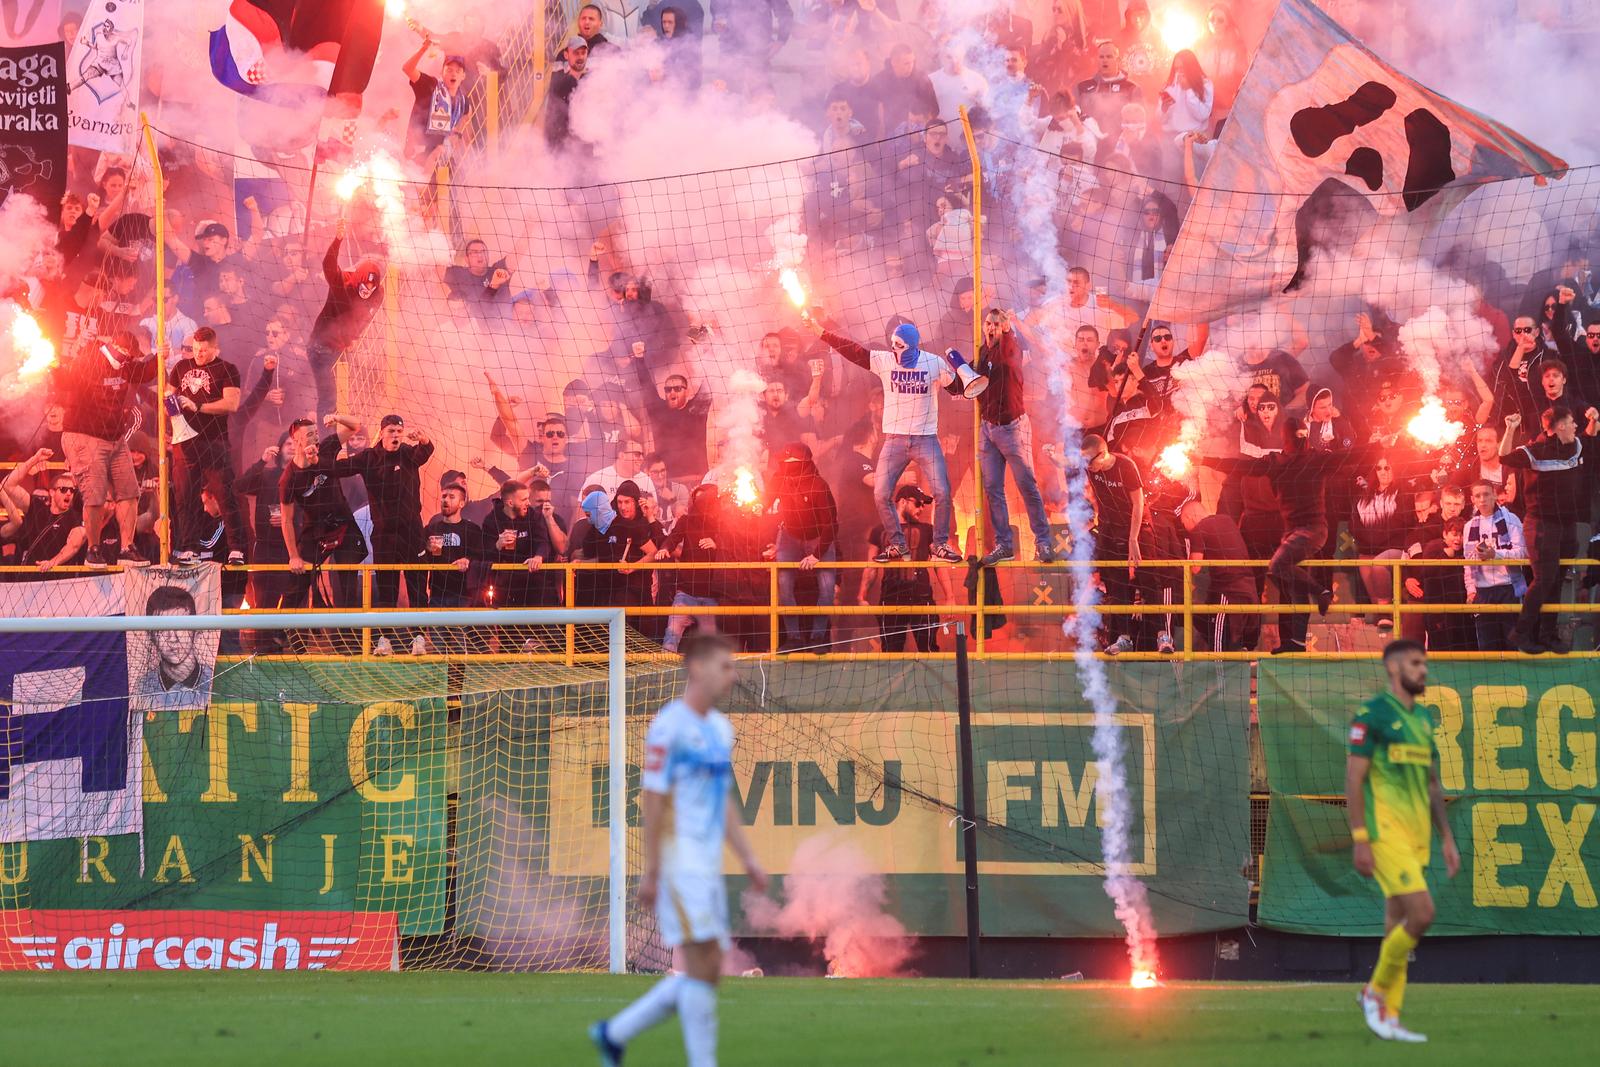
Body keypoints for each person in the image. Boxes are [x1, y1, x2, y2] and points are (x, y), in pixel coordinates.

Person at [590, 633, 767, 1067]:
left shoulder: (721, 730)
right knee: (702, 962)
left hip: (705, 861)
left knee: (706, 969)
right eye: (725, 665)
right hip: (677, 857)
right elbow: (654, 799)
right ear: (698, 668)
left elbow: (723, 800)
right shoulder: (669, 726)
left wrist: (747, 857)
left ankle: (614, 1034)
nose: (733, 674)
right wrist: (652, 870)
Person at [1348, 639, 1459, 1043]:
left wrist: (1446, 837)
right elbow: (1353, 779)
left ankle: (1389, 1017)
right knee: (1422, 914)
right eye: (1416, 663)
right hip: (1385, 833)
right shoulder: (1373, 714)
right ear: (1394, 669)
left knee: (1396, 923)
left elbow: (1432, 783)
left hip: (1418, 836)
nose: (1423, 671)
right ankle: (1374, 992)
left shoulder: (1424, 719)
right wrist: (1361, 837)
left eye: (1425, 663)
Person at [806, 310, 967, 563]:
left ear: (913, 346)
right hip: (895, 441)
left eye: (900, 346)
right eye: (893, 345)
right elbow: (853, 350)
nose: (896, 351)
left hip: (926, 440)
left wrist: (968, 375)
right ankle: (898, 545)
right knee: (881, 494)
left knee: (943, 492)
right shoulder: (886, 361)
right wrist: (822, 333)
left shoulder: (933, 363)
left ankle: (939, 545)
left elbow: (958, 389)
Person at [951, 309, 1054, 565]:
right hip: (988, 428)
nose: (992, 328)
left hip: (1012, 428)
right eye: (988, 323)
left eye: (997, 325)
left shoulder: (1011, 348)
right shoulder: (983, 351)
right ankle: (1004, 544)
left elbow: (1006, 360)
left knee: (1026, 485)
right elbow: (971, 382)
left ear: (1005, 328)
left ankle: (1043, 542)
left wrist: (1008, 330)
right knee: (992, 488)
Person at [1498, 407, 1597, 653]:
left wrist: (1594, 420)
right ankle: (1520, 633)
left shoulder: (1574, 445)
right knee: (1543, 580)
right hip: (1541, 525)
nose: (1576, 426)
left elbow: (1590, 436)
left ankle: (1547, 635)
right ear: (1560, 425)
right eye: (1572, 422)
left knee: (1556, 581)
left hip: (1567, 526)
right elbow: (1504, 456)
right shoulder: (1534, 450)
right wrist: (1510, 428)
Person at [56, 329, 154, 568]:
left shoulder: (125, 365)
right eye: (129, 355)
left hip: (114, 437)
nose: (131, 360)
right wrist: (57, 368)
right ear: (120, 351)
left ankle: (127, 548)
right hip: (85, 435)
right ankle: (93, 549)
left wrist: (158, 356)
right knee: (95, 495)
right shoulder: (89, 360)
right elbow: (66, 380)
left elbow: (144, 373)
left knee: (130, 492)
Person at [347, 414, 435, 655]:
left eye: (399, 431)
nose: (395, 436)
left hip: (412, 532)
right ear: (382, 433)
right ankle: (383, 638)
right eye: (391, 431)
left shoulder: (408, 453)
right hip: (384, 535)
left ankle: (418, 636)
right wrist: (318, 462)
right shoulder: (370, 458)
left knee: (417, 584)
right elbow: (342, 468)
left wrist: (425, 440)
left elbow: (425, 452)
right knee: (387, 587)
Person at [169, 326, 246, 566]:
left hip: (214, 441)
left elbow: (232, 404)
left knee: (224, 493)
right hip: (185, 441)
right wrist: (175, 416)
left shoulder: (227, 369)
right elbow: (167, 397)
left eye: (203, 350)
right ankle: (188, 547)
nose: (198, 354)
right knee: (185, 496)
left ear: (214, 348)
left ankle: (237, 549)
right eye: (195, 349)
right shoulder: (181, 367)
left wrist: (198, 406)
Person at [279, 415, 368, 611]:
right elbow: (286, 520)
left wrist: (337, 417)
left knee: (348, 584)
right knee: (298, 581)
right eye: (309, 435)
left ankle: (348, 639)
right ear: (296, 440)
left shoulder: (326, 448)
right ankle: (280, 632)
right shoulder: (288, 478)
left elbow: (355, 426)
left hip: (344, 524)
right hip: (315, 529)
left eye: (316, 433)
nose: (315, 438)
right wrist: (293, 555)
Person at [766, 443, 840, 651]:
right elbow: (764, 502)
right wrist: (757, 507)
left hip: (819, 538)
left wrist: (817, 555)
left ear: (804, 463)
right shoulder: (779, 478)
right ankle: (794, 638)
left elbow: (831, 525)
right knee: (783, 585)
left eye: (791, 462)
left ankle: (818, 638)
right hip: (789, 535)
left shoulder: (819, 486)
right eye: (783, 462)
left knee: (826, 590)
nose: (786, 466)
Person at [308, 218, 384, 414]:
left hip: (342, 349)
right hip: (322, 348)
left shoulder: (378, 293)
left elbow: (364, 319)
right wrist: (338, 240)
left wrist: (354, 338)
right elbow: (329, 265)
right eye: (364, 286)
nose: (367, 290)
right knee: (329, 400)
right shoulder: (342, 283)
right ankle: (328, 441)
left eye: (371, 287)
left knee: (351, 395)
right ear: (357, 280)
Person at [862, 485, 941, 653]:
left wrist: (950, 597)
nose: (921, 508)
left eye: (923, 505)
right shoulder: (880, 530)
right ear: (903, 502)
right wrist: (861, 595)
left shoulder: (927, 530)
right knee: (891, 652)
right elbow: (871, 566)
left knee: (929, 650)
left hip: (921, 598)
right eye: (918, 503)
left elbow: (938, 565)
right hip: (891, 598)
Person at [1179, 495, 1259, 652]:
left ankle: (1221, 673)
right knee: (1237, 643)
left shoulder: (1199, 528)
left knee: (1219, 645)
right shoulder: (1227, 521)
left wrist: (1185, 577)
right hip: (1250, 590)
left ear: (1190, 516)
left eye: (1184, 523)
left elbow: (1195, 566)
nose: (1185, 528)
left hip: (1229, 592)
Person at [659, 484, 727, 652]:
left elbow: (734, 545)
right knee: (670, 639)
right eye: (698, 499)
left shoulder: (722, 522)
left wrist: (717, 544)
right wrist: (664, 548)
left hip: (711, 595)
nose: (701, 502)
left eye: (705, 499)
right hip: (686, 594)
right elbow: (673, 538)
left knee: (709, 648)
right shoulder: (686, 520)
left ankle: (708, 678)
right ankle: (663, 675)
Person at [1461, 479, 1526, 652]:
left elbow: (1522, 554)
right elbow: (1467, 563)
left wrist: (1495, 554)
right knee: (1487, 647)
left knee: (1512, 644)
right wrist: (1471, 591)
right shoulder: (1469, 527)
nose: (1482, 499)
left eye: (1486, 494)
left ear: (1495, 495)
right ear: (1472, 499)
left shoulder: (1511, 519)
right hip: (1482, 591)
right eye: (1478, 495)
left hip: (1508, 589)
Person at [0, 453, 85, 575]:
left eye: (72, 490)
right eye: (63, 489)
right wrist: (34, 460)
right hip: (30, 580)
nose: (68, 494)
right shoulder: (37, 507)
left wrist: (52, 562)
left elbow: (74, 545)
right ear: (51, 492)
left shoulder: (75, 517)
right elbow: (8, 484)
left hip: (59, 582)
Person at [133, 584, 214, 711]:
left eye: (180, 626)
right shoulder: (143, 687)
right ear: (151, 636)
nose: (173, 638)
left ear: (196, 631)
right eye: (163, 629)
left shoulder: (213, 680)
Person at [424, 479, 485, 610]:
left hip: (464, 595)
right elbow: (421, 561)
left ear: (462, 503)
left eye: (452, 497)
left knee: (461, 631)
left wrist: (467, 560)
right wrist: (427, 549)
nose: (445, 500)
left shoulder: (472, 529)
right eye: (444, 496)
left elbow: (481, 555)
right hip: (437, 594)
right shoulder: (430, 529)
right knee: (437, 631)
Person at [403, 45, 468, 166]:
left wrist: (456, 137)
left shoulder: (463, 101)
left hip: (441, 158)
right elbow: (407, 69)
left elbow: (464, 120)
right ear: (441, 72)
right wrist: (423, 49)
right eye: (449, 70)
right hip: (416, 156)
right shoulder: (430, 86)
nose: (453, 74)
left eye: (458, 71)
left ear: (463, 76)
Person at [546, 37, 591, 148]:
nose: (580, 57)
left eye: (583, 53)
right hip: (563, 145)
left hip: (585, 145)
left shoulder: (591, 80)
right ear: (566, 55)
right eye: (576, 53)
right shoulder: (560, 82)